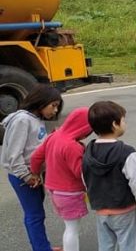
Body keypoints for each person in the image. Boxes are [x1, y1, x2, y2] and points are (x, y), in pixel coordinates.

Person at [0, 84, 63, 251]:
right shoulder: (22, 120)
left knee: (37, 214)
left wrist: (51, 138)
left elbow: (33, 145)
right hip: (24, 177)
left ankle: (43, 246)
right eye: (53, 105)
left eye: (57, 106)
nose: (55, 110)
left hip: (34, 174)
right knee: (34, 215)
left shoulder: (35, 119)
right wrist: (27, 177)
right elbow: (13, 155)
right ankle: (41, 248)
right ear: (41, 102)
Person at [82, 101, 136, 251]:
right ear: (115, 124)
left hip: (101, 210)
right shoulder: (127, 153)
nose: (125, 123)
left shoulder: (88, 152)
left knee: (106, 246)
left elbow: (85, 179)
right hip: (125, 210)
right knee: (129, 245)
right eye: (123, 120)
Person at [30, 107, 92, 251]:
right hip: (70, 192)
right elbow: (80, 173)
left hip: (54, 189)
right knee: (72, 229)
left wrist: (35, 173)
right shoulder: (73, 146)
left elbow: (36, 157)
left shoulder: (54, 136)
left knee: (69, 225)